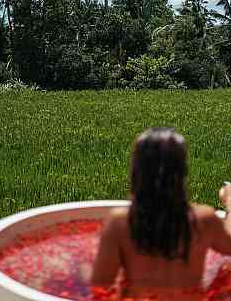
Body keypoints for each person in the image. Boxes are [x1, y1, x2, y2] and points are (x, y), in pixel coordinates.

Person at [91, 127, 231, 300]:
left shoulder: (120, 222)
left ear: (137, 171)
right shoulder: (204, 220)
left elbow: (101, 284)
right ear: (182, 171)